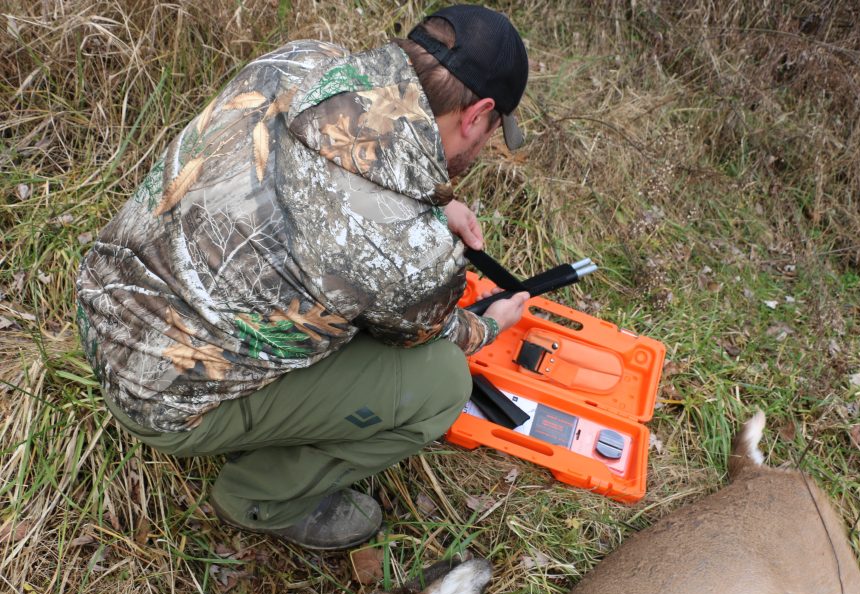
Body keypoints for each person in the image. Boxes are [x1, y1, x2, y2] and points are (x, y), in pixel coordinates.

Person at [75, 5, 532, 550]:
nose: (484, 144)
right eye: (492, 132)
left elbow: (349, 163)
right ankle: (262, 499)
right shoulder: (409, 252)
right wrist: (490, 325)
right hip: (156, 399)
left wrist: (434, 203)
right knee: (442, 384)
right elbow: (429, 334)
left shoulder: (302, 59)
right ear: (478, 114)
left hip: (101, 301)